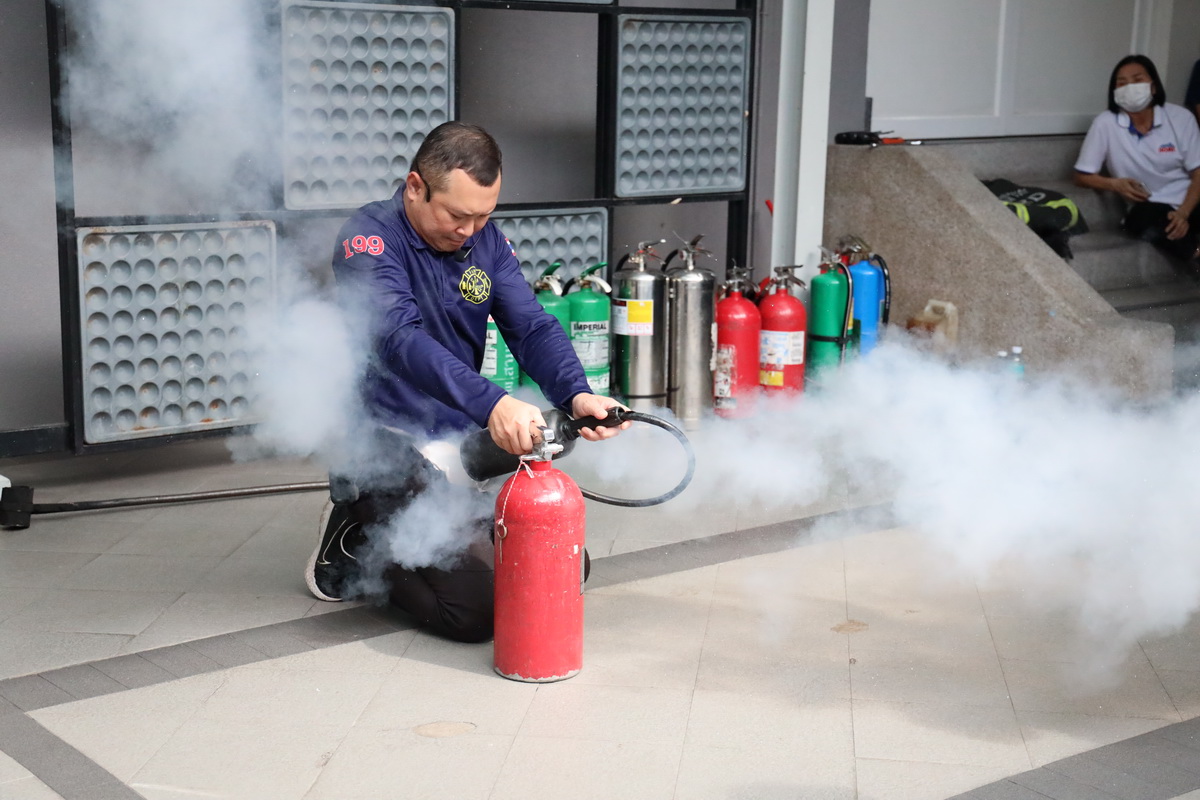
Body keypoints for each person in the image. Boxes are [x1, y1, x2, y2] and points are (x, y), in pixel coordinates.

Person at [304, 121, 626, 642]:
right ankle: (355, 541)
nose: (470, 231)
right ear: (416, 187)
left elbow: (531, 325)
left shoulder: (485, 241)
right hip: (382, 442)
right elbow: (398, 340)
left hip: (454, 444)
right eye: (457, 215)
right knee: (474, 611)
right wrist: (493, 404)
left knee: (557, 565)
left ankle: (418, 526)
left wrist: (577, 392)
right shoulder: (368, 240)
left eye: (483, 216)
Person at [1074, 54, 1200, 267]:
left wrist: (1183, 212)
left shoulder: (1180, 118)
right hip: (1151, 206)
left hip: (1189, 201)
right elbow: (1081, 176)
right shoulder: (1105, 123)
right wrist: (1114, 184)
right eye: (1121, 83)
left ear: (1153, 86)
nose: (1129, 87)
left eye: (1137, 80)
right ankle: (1195, 253)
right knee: (1141, 219)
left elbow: (1198, 172)